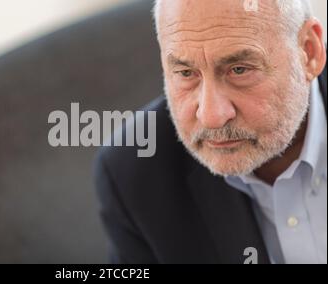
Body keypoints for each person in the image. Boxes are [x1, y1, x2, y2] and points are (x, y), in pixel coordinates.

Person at [94, 0, 327, 264]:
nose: (212, 117)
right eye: (185, 73)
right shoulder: (134, 173)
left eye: (239, 70)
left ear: (309, 52)